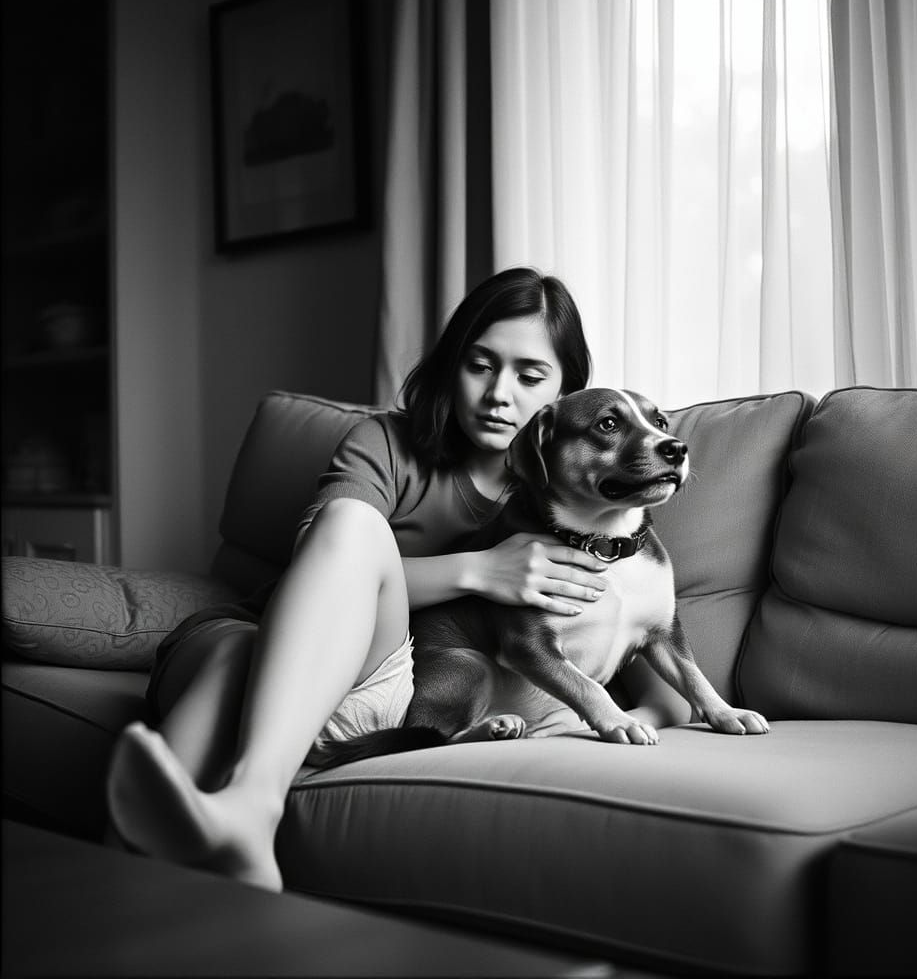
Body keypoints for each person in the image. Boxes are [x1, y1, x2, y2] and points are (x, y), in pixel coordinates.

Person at [106, 266, 612, 892]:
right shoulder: (385, 442)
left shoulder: (578, 500)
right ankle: (194, 840)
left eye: (530, 376)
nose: (498, 394)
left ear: (567, 394)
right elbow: (323, 558)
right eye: (480, 365)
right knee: (320, 558)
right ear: (452, 365)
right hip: (257, 638)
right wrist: (481, 571)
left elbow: (645, 650)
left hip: (391, 682)